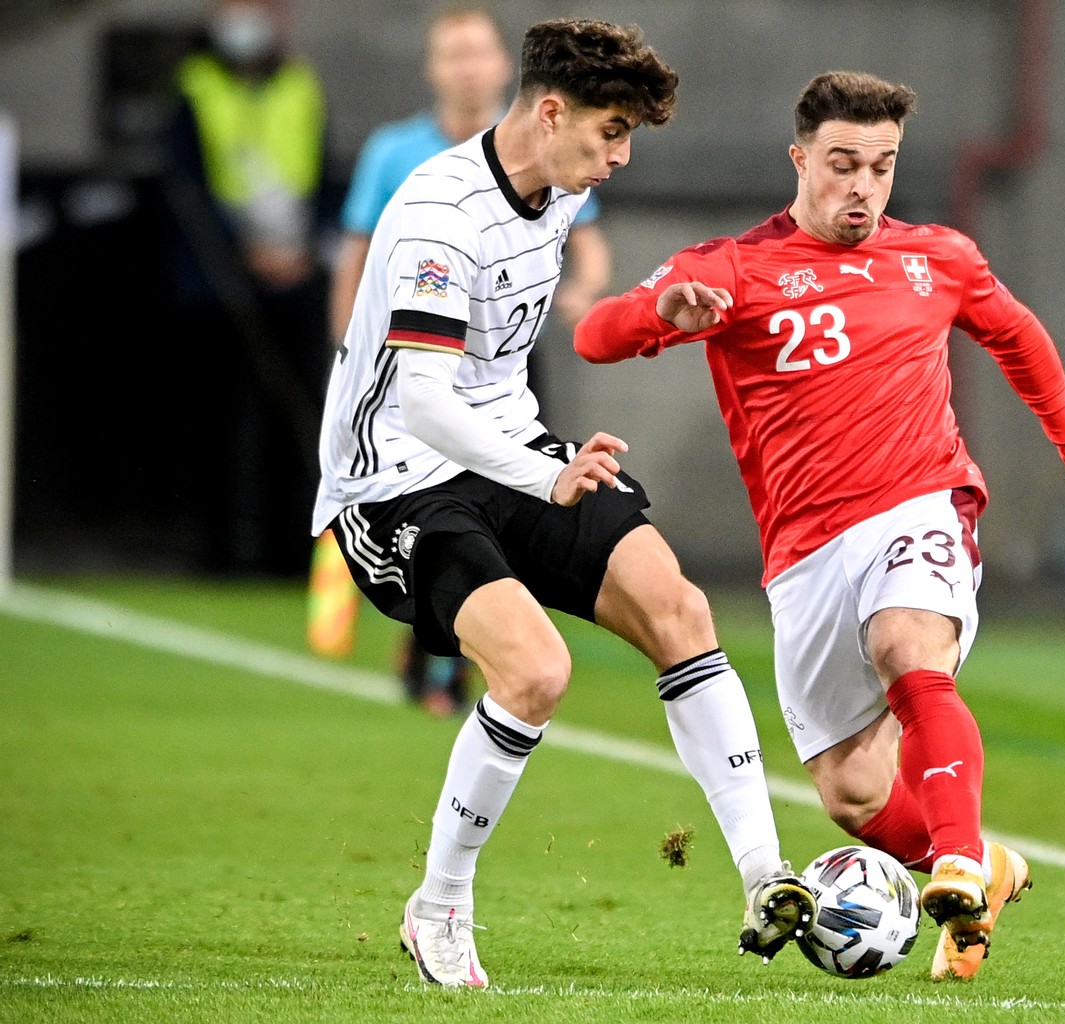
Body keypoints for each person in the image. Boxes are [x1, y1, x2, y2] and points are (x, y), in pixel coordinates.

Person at [574, 71, 1065, 981]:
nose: (863, 186)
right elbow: (595, 334)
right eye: (843, 164)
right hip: (804, 553)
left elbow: (1017, 334)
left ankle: (954, 856)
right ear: (801, 161)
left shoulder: (937, 257)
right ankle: (987, 870)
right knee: (852, 791)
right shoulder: (734, 267)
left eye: (881, 166)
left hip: (921, 500)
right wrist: (658, 312)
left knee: (908, 647)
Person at [310, 19, 814, 988]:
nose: (621, 157)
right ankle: (439, 906)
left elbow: (564, 340)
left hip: (509, 449)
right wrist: (547, 476)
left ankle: (766, 876)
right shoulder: (439, 210)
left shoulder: (557, 198)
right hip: (396, 481)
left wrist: (659, 319)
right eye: (612, 131)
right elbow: (422, 398)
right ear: (551, 111)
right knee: (536, 672)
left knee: (679, 609)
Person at [307, 4, 613, 715]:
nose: (467, 67)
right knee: (409, 506)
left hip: (501, 368)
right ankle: (406, 632)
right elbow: (357, 247)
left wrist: (586, 289)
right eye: (453, 54)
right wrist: (344, 337)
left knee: (515, 499)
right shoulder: (396, 152)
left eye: (478, 52)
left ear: (505, 66)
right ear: (433, 68)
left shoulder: (551, 149)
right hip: (412, 367)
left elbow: (588, 236)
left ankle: (474, 654)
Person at [162, 0, 334, 576]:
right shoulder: (195, 86)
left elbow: (324, 178)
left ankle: (289, 553)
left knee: (293, 421)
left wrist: (302, 252)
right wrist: (245, 253)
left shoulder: (303, 88)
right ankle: (213, 554)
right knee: (212, 422)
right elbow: (185, 189)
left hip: (296, 281)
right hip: (217, 290)